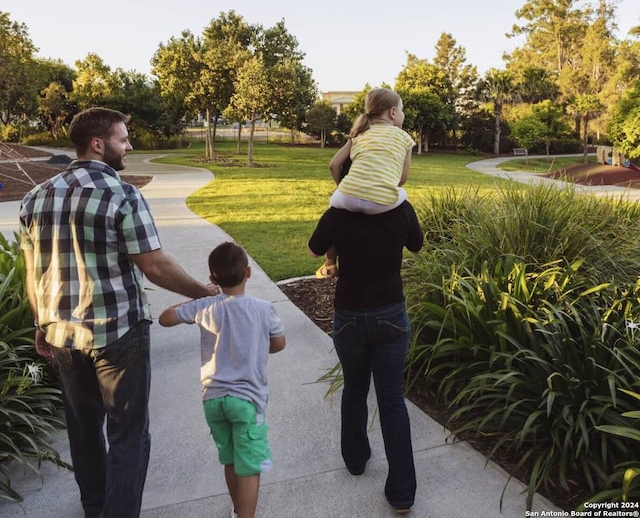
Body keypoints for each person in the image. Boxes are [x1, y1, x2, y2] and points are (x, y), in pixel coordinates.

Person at [19, 107, 218, 518]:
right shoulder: (123, 195)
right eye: (123, 139)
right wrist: (202, 291)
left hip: (62, 336)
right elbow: (154, 265)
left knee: (84, 428)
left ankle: (95, 507)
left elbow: (32, 272)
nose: (129, 146)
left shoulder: (36, 197)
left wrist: (41, 322)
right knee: (128, 434)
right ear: (98, 143)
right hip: (117, 334)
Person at [307, 196, 424, 514]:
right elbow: (417, 244)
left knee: (355, 388)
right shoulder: (400, 208)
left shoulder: (337, 212)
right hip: (390, 314)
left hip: (349, 316)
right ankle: (402, 494)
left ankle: (356, 460)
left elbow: (314, 249)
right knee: (391, 400)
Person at [159, 241, 285, 518]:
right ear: (248, 272)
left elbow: (165, 318)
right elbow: (278, 343)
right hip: (247, 400)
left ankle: (238, 508)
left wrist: (198, 298)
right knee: (250, 465)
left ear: (213, 278)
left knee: (230, 458)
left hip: (213, 400)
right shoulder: (263, 309)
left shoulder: (204, 307)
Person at [316, 87, 415, 279]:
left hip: (348, 197)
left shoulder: (359, 135)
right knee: (402, 197)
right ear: (393, 113)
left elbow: (334, 165)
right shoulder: (404, 138)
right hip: (382, 204)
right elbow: (401, 180)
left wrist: (344, 189)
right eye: (401, 110)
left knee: (332, 209)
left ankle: (329, 264)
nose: (402, 114)